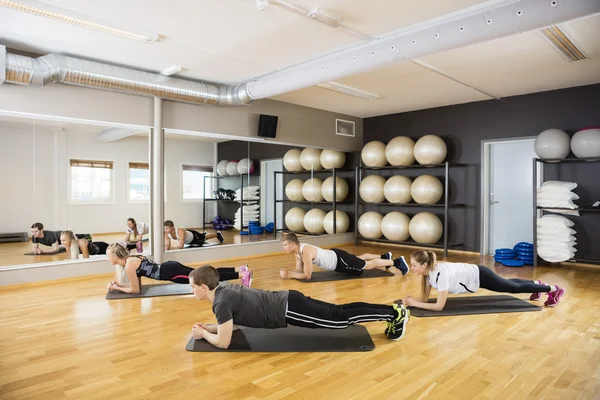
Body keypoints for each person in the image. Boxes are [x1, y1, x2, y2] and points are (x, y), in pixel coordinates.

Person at [188, 265, 410, 349]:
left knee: (340, 320)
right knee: (339, 312)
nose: (192, 291)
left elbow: (224, 342)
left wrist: (204, 335)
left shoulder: (221, 302)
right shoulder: (224, 289)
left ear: (204, 287)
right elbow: (233, 326)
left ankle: (393, 313)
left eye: (193, 287)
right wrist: (207, 328)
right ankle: (391, 311)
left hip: (288, 308)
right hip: (289, 300)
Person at [402, 250, 566, 311]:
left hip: (479, 275)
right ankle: (537, 286)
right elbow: (425, 298)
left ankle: (554, 289)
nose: (412, 268)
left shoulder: (440, 274)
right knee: (508, 284)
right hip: (476, 274)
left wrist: (415, 304)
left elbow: (439, 306)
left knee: (511, 288)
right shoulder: (429, 273)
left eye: (414, 265)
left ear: (424, 264)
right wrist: (414, 301)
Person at [106, 243, 251, 294]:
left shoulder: (130, 265)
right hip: (169, 267)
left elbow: (135, 290)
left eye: (108, 256)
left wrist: (118, 288)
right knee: (204, 272)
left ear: (115, 255)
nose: (108, 259)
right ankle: (240, 269)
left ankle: (241, 276)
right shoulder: (131, 260)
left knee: (205, 278)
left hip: (171, 273)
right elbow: (136, 286)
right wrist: (118, 284)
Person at [279, 233, 408, 280]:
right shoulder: (297, 252)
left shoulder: (305, 251)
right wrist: (289, 272)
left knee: (366, 266)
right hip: (337, 259)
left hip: (339, 260)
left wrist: (290, 275)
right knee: (358, 259)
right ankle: (384, 257)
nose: (284, 247)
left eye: (285, 245)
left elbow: (307, 275)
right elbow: (299, 271)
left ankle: (397, 262)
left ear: (293, 244)